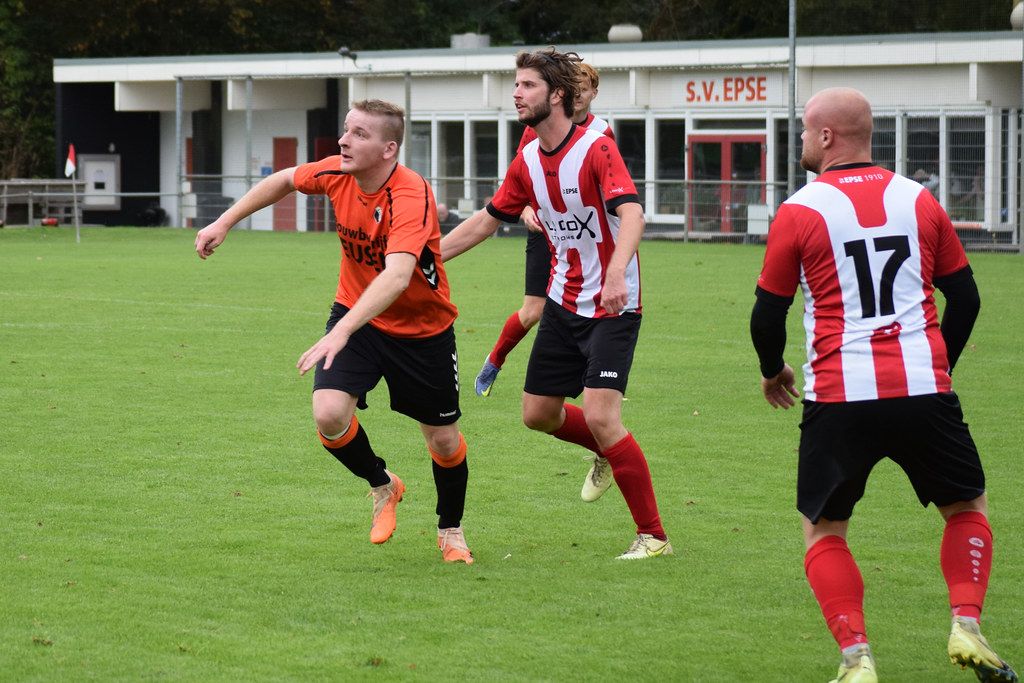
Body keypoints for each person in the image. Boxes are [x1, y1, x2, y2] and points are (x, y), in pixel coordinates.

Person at [750, 87, 1016, 683]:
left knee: (824, 530)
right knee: (966, 507)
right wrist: (936, 363)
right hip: (923, 387)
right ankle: (966, 624)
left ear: (825, 137)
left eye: (801, 130)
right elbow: (966, 297)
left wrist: (773, 369)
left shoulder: (800, 209)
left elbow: (767, 315)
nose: (798, 140)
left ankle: (857, 658)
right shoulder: (919, 199)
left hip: (839, 394)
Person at [194, 99, 474, 564]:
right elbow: (284, 179)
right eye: (346, 130)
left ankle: (451, 531)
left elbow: (398, 275)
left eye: (358, 134)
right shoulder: (337, 172)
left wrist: (341, 330)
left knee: (443, 440)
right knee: (328, 412)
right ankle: (384, 485)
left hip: (422, 331)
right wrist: (225, 221)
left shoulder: (411, 195)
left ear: (389, 149)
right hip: (358, 317)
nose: (344, 140)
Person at [442, 47, 671, 560]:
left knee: (601, 415)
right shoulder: (526, 160)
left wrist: (615, 274)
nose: (516, 93)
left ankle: (654, 537)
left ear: (557, 95)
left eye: (526, 85)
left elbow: (632, 215)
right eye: (516, 84)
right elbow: (487, 219)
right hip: (563, 301)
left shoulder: (597, 148)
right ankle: (606, 453)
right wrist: (426, 259)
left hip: (614, 306)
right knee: (537, 414)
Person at [474, 62, 617, 503]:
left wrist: (616, 270)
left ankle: (648, 527)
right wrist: (523, 210)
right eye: (515, 86)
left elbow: (621, 203)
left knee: (538, 314)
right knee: (532, 311)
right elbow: (517, 185)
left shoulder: (601, 137)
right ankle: (495, 360)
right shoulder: (533, 131)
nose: (583, 93)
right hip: (546, 235)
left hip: (595, 267)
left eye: (588, 87)